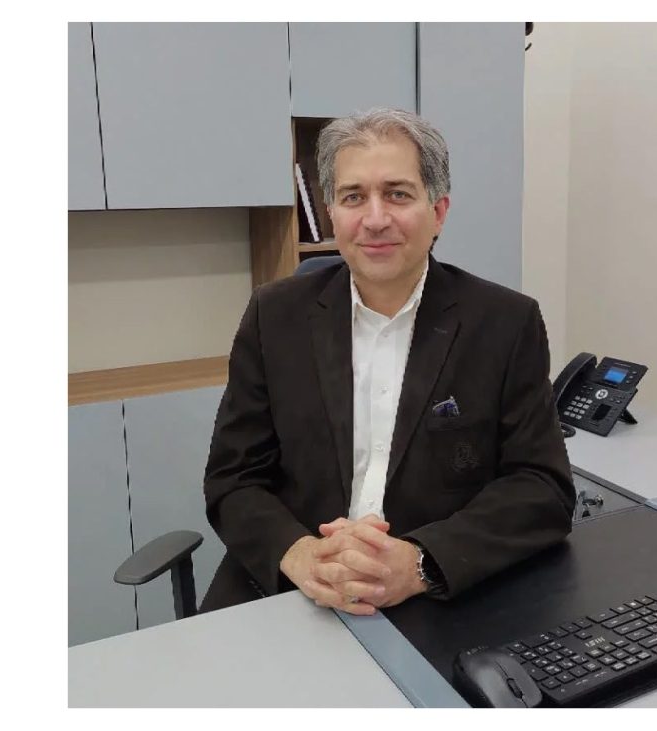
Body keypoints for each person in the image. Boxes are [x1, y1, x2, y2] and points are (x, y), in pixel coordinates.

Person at [199, 107, 576, 616]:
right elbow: (233, 478)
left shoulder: (505, 323)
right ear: (332, 213)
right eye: (353, 197)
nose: (375, 220)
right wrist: (301, 554)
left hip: (433, 594)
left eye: (397, 194)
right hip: (289, 591)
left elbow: (542, 488)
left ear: (438, 211)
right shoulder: (274, 316)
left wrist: (420, 562)